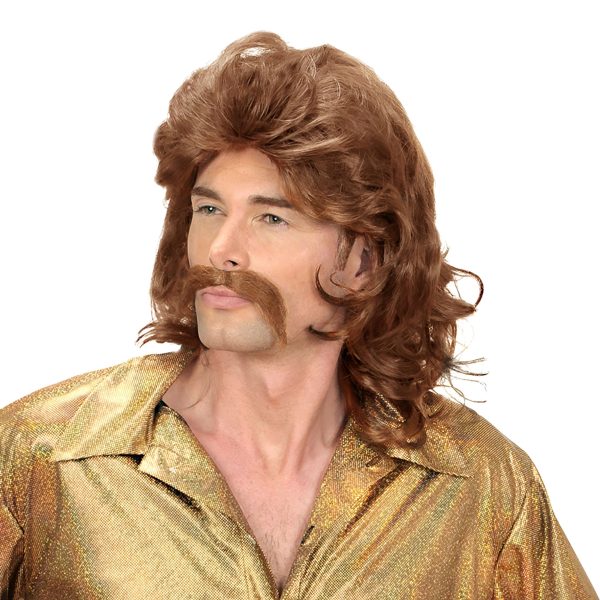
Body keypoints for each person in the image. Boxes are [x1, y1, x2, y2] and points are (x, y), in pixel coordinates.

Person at [0, 32, 596, 600]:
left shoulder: (481, 485)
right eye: (209, 210)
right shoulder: (42, 458)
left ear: (363, 260)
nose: (221, 250)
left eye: (272, 218)